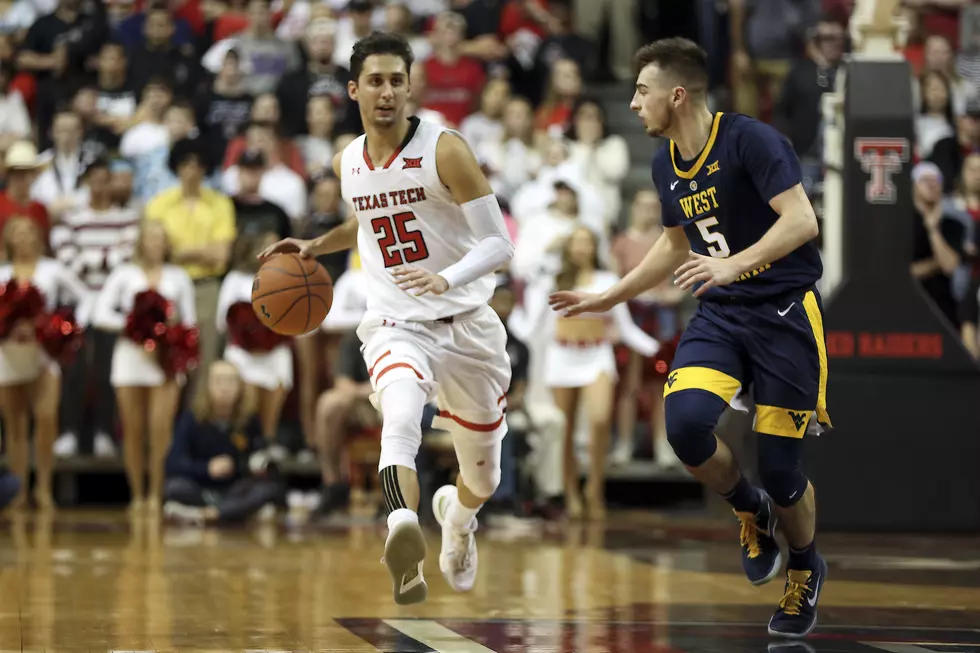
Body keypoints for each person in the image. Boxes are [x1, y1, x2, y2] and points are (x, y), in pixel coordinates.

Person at [549, 38, 830, 639]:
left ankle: (805, 565)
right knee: (684, 426)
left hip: (783, 312)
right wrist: (609, 295)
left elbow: (803, 220)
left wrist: (735, 264)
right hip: (724, 314)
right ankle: (747, 508)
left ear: (676, 95)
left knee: (783, 471)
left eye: (641, 92)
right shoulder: (662, 163)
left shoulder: (750, 139)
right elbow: (676, 245)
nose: (632, 104)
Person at [260, 32, 514, 606]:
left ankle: (457, 517)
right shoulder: (346, 161)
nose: (387, 92)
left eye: (397, 80)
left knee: (486, 478)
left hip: (468, 323)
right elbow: (370, 220)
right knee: (399, 416)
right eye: (375, 81)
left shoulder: (444, 149)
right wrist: (317, 244)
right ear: (353, 90)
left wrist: (445, 278)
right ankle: (401, 527)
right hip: (397, 323)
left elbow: (499, 245)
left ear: (409, 86)